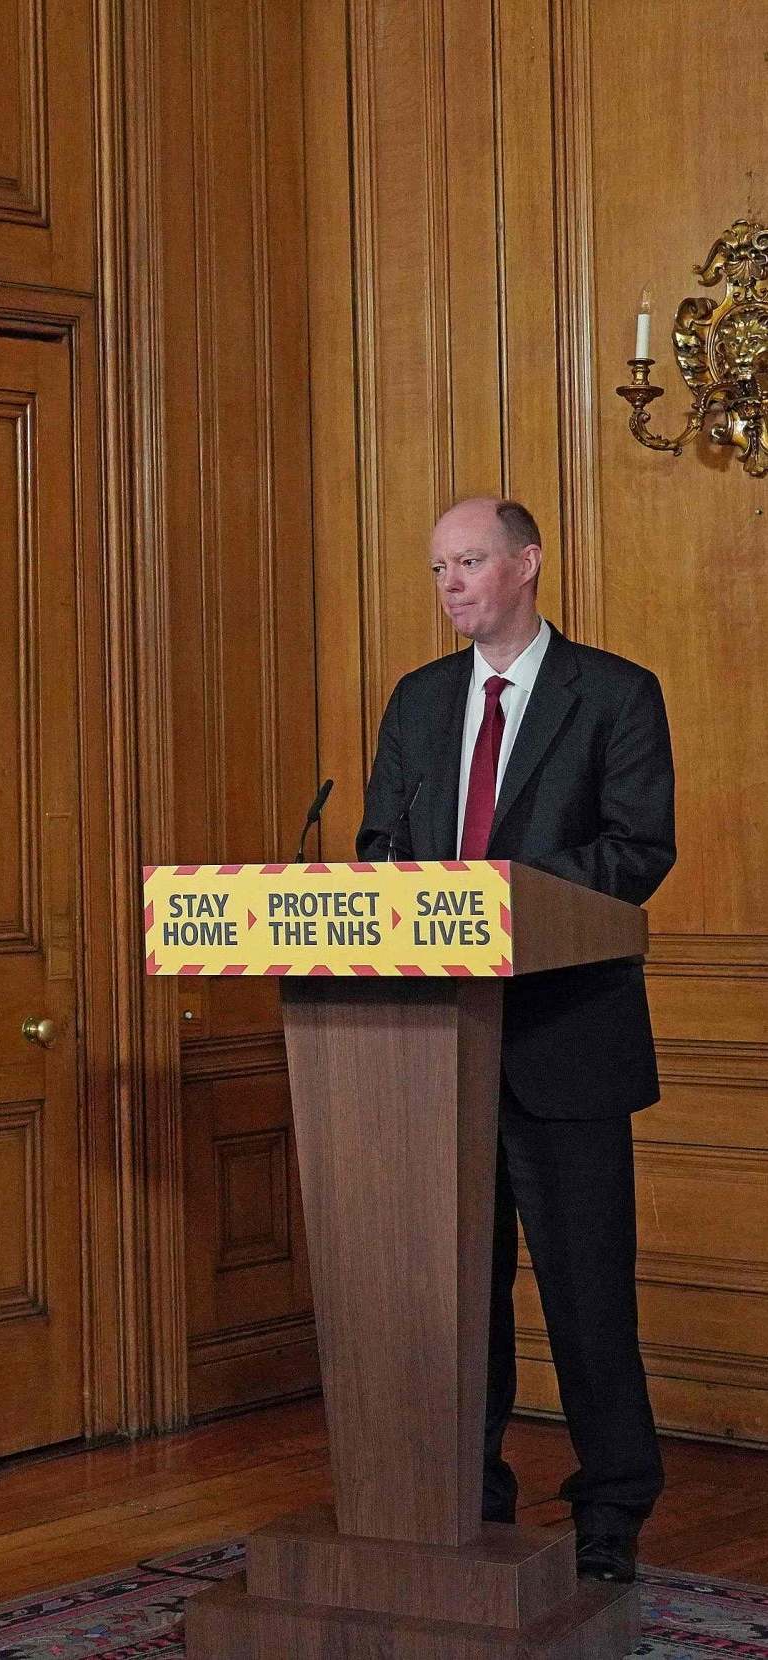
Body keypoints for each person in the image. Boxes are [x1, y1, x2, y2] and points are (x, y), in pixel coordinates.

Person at [357, 497, 675, 1586]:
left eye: (469, 561)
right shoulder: (416, 700)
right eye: (436, 565)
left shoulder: (616, 694)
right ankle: (464, 1495)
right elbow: (380, 845)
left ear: (526, 563)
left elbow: (635, 852)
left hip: (565, 1040)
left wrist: (504, 899)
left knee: (587, 1294)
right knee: (456, 1294)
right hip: (430, 1052)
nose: (448, 583)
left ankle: (609, 1512)